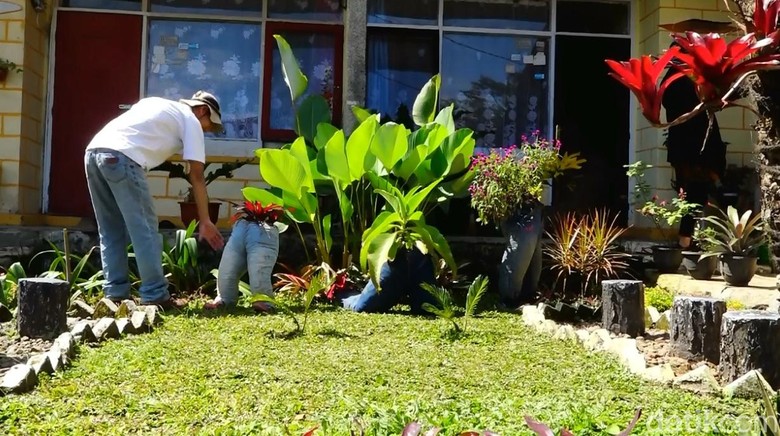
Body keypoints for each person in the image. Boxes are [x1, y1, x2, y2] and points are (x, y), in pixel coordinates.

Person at [84, 91, 226, 309]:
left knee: (110, 229)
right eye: (208, 125)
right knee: (145, 230)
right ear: (203, 111)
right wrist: (205, 221)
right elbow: (196, 175)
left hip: (93, 153)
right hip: (122, 156)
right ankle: (155, 294)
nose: (206, 130)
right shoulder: (191, 121)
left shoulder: (155, 103)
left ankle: (115, 294)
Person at [661, 44, 727, 249]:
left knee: (688, 191)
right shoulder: (690, 79)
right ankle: (689, 239)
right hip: (698, 142)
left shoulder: (671, 80)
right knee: (698, 189)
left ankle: (688, 239)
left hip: (683, 143)